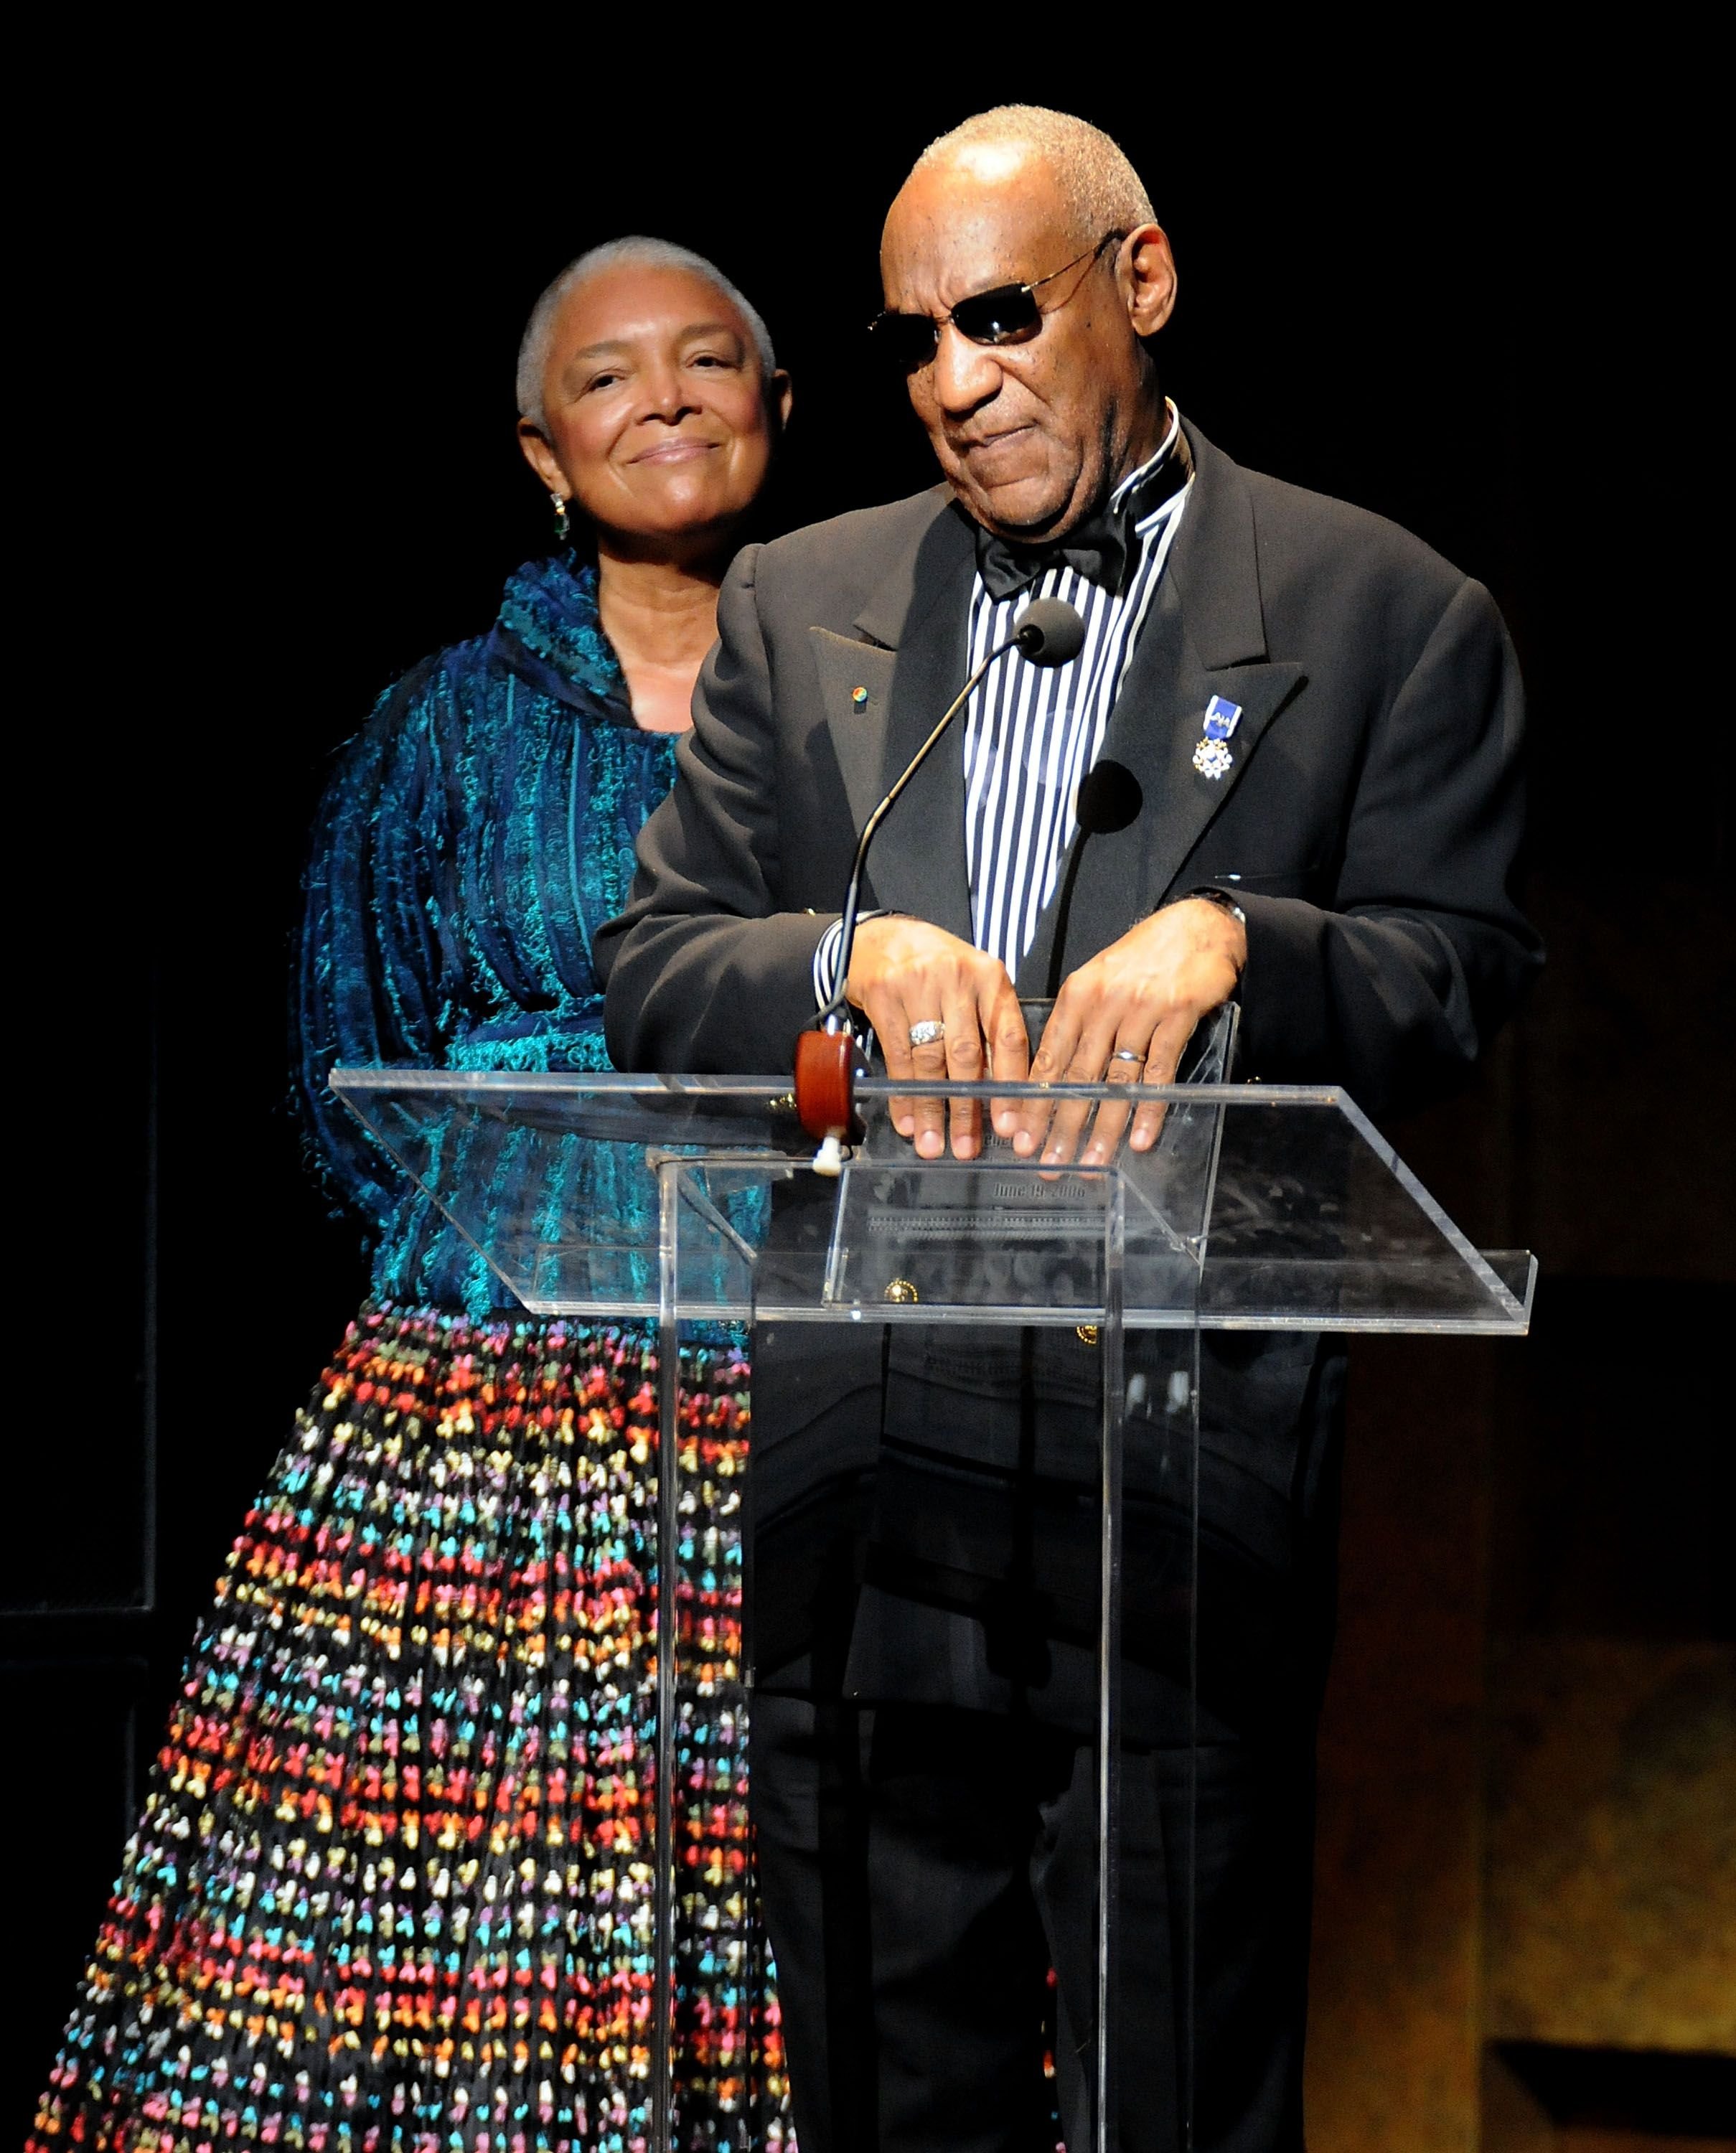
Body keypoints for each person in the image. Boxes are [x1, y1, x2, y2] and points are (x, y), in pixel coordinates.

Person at [599, 111, 1541, 2153]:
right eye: (916, 336)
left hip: (1177, 1495)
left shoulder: (1389, 611)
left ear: (1142, 281)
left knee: (1172, 2103)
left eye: (1000, 317)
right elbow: (657, 973)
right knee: (887, 2087)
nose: (953, 382)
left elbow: (1456, 979)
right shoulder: (804, 598)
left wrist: (1241, 947)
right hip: (867, 1478)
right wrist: (841, 967)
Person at [32, 237, 795, 2153]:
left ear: (780, 415)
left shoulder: (871, 711)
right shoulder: (441, 722)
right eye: (613, 377)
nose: (668, 401)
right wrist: (486, 1286)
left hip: (795, 1380)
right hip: (478, 1406)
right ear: (543, 448)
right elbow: (338, 1063)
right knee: (413, 1926)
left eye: (710, 364)